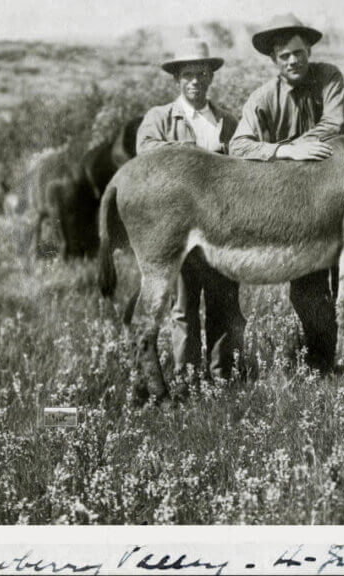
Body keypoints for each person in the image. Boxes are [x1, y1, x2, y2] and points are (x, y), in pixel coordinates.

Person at [229, 13, 344, 371]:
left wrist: (301, 144)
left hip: (337, 194)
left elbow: (335, 123)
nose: (294, 61)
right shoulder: (263, 98)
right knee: (307, 286)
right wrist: (285, 151)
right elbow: (239, 146)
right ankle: (323, 360)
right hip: (293, 205)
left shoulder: (329, 77)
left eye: (299, 53)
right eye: (285, 57)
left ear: (309, 51)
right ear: (274, 61)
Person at [135, 38, 244, 383]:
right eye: (187, 74)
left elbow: (245, 164)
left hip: (222, 229)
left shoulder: (228, 121)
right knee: (183, 306)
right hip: (178, 229)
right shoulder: (160, 118)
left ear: (211, 77)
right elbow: (146, 152)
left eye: (201, 73)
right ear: (177, 80)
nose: (195, 81)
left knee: (224, 304)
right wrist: (189, 151)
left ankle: (222, 375)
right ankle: (187, 378)